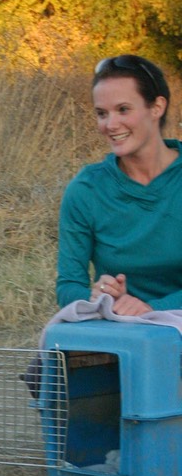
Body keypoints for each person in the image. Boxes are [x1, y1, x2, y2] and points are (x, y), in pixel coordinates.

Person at [56, 54, 182, 315]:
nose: (111, 125)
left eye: (123, 110)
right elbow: (68, 285)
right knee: (51, 353)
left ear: (156, 107)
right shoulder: (85, 190)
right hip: (122, 331)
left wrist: (152, 308)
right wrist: (99, 296)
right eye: (102, 114)